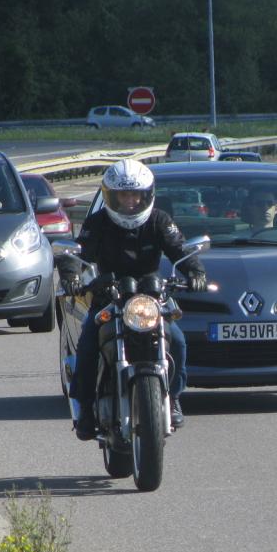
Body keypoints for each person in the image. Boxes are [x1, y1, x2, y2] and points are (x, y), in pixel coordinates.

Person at [69, 159, 207, 439]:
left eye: (135, 195)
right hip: (109, 297)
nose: (130, 201)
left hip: (150, 297)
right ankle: (84, 407)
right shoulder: (97, 223)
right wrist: (72, 275)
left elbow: (179, 249)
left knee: (177, 341)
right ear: (112, 196)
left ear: (146, 195)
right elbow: (78, 253)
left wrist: (195, 272)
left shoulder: (159, 220)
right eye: (123, 195)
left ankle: (175, 396)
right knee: (86, 346)